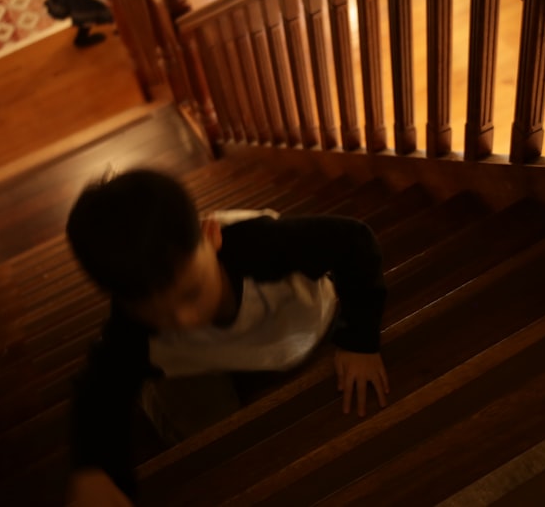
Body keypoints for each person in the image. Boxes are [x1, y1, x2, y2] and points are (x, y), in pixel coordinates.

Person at [62, 169, 390, 505]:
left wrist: (358, 340)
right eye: (156, 314)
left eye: (192, 293)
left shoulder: (262, 243)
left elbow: (354, 241)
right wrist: (93, 471)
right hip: (199, 364)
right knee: (203, 435)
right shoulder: (130, 325)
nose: (184, 319)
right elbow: (97, 391)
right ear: (123, 301)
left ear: (211, 236)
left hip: (294, 321)